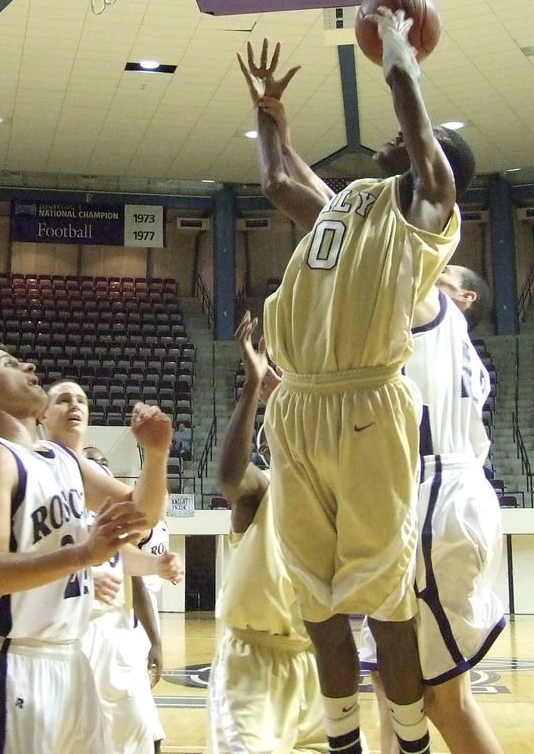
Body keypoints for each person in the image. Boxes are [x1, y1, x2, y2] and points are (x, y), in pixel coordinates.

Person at [239, 20, 468, 753]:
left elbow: (410, 111)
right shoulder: (352, 203)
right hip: (297, 405)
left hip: (369, 404)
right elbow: (277, 181)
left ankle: (409, 743)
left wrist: (399, 43)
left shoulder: (428, 210)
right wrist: (269, 119)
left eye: (420, 138)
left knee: (386, 603)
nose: (400, 134)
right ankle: (343, 743)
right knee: (316, 600)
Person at [0, 343, 171, 754]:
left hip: (70, 658)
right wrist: (85, 555)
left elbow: (143, 514)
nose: (29, 365)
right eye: (9, 364)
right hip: (10, 661)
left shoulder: (63, 459)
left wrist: (156, 456)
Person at [359, 266, 505, 754]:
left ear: (464, 298)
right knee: (391, 681)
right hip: (426, 496)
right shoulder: (450, 347)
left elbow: (398, 258)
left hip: (439, 494)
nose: (431, 273)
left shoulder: (441, 314)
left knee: (446, 701)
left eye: (442, 273)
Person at [207, 313, 327, 754]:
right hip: (252, 662)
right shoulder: (262, 488)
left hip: (317, 657)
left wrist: (298, 401)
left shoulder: (331, 494)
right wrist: (252, 388)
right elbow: (228, 477)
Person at [42, 381, 175, 754]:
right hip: (46, 639)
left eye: (81, 400)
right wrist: (80, 571)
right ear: (41, 414)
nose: (74, 405)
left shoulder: (78, 473)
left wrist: (157, 454)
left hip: (105, 633)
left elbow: (144, 516)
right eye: (63, 399)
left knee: (141, 735)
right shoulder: (27, 465)